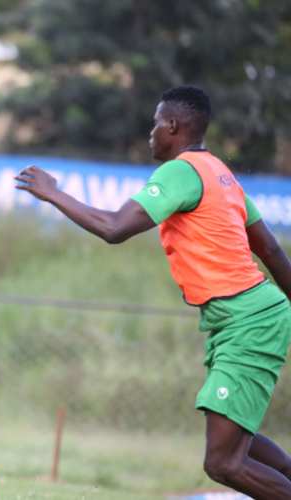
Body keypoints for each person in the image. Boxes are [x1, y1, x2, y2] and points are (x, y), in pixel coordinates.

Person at [16, 85, 291, 499]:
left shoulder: (181, 172)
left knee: (223, 463)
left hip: (247, 320)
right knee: (238, 442)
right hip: (244, 317)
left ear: (174, 126)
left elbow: (114, 229)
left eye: (156, 122)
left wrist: (53, 193)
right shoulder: (219, 172)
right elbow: (269, 249)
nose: (151, 131)